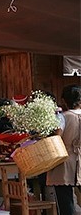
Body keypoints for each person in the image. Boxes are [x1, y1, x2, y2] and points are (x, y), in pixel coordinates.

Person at [47, 84, 81, 215]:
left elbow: (56, 138)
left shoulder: (62, 117)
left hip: (64, 160)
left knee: (65, 202)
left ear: (64, 101)